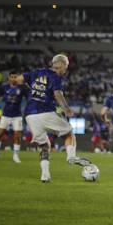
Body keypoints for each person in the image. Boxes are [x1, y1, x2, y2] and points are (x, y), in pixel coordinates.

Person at [23, 54, 92, 182]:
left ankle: (45, 175)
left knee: (44, 145)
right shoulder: (56, 76)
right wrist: (67, 109)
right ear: (60, 64)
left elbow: (20, 79)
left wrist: (33, 90)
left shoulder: (37, 72)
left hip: (30, 115)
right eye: (65, 66)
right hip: (45, 111)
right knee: (69, 134)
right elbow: (57, 93)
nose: (65, 69)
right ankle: (71, 156)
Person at [0, 71, 27, 163]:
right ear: (9, 78)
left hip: (17, 115)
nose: (14, 78)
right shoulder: (4, 87)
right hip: (6, 114)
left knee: (17, 135)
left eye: (15, 77)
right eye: (12, 77)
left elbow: (28, 97)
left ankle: (15, 155)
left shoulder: (22, 88)